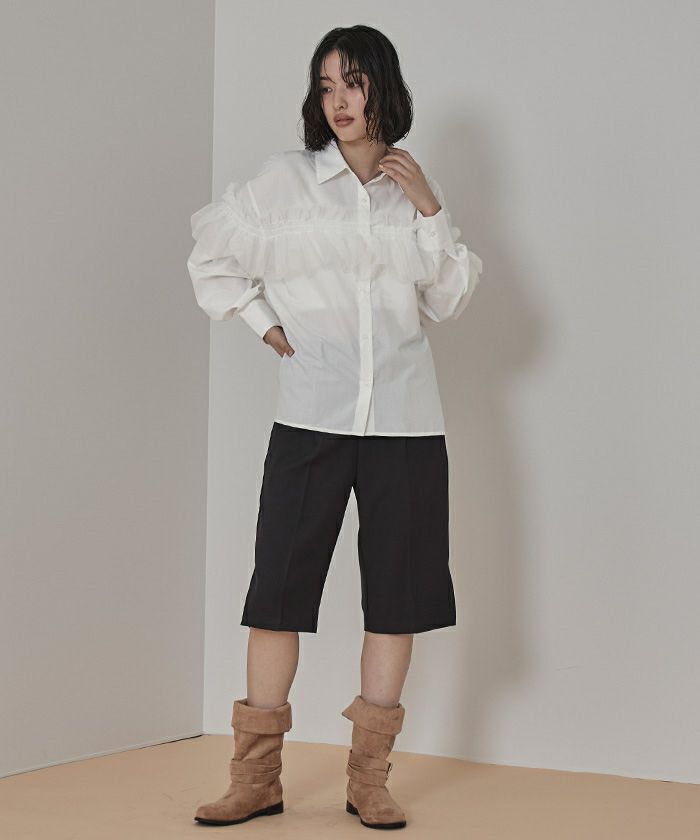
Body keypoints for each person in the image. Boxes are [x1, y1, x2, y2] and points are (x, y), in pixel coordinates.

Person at [186, 24, 483, 831]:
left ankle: (369, 780)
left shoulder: (412, 192)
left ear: (384, 86)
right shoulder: (285, 183)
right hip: (310, 417)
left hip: (406, 425)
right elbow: (211, 256)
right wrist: (263, 323)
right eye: (326, 86)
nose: (340, 100)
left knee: (396, 600)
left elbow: (449, 300)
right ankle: (255, 779)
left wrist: (430, 209)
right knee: (277, 596)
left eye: (354, 81)